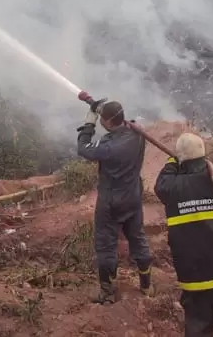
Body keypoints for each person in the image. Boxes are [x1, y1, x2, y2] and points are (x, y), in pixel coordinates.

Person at [154, 133, 213, 337]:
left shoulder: (172, 187)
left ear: (181, 159)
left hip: (196, 272)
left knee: (199, 325)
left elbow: (161, 184)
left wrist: (172, 161)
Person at [77, 101, 152, 304]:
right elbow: (122, 121)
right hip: (133, 198)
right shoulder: (137, 133)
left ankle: (107, 292)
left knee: (106, 245)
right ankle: (146, 285)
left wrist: (89, 124)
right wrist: (99, 105)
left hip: (111, 202)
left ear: (108, 122)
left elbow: (83, 149)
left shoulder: (109, 146)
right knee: (138, 239)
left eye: (102, 119)